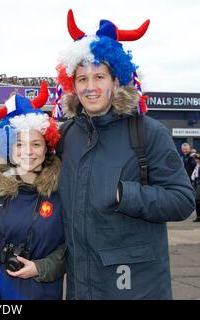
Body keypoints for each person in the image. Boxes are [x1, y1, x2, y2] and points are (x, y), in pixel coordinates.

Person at [54, 10, 195, 299]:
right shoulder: (67, 135)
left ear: (116, 81)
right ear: (73, 85)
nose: (90, 87)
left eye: (100, 77)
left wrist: (124, 194)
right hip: (81, 287)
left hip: (135, 287)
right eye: (82, 79)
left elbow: (182, 200)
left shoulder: (148, 132)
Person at [0, 82, 66, 300]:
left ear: (46, 147)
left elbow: (71, 247)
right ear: (8, 148)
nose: (28, 152)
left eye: (35, 144)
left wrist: (41, 268)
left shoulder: (62, 190)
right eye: (19, 145)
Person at [190, 154, 200, 222]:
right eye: (196, 159)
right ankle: (198, 216)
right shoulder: (196, 166)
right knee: (197, 201)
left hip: (199, 184)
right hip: (196, 184)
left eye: (198, 159)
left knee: (198, 200)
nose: (196, 160)